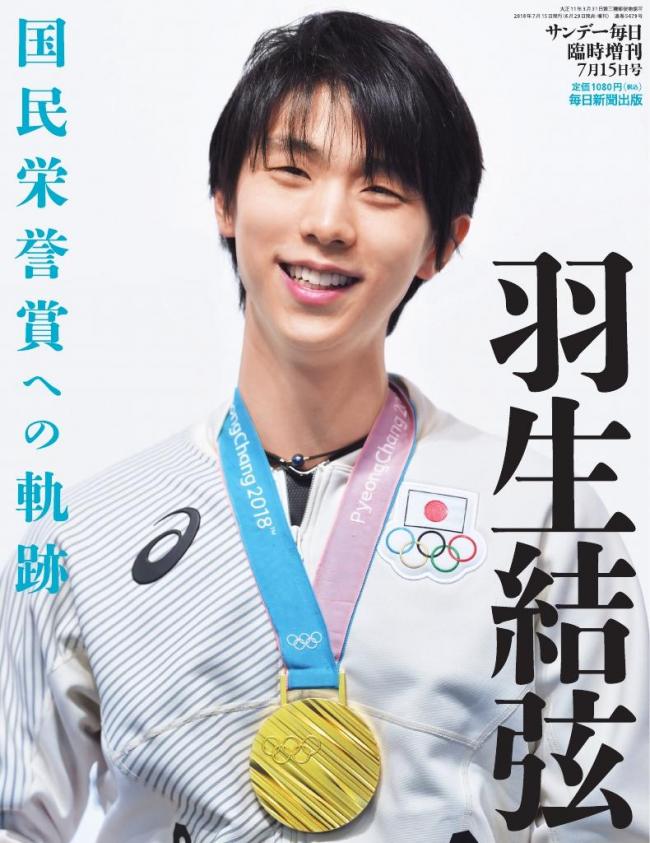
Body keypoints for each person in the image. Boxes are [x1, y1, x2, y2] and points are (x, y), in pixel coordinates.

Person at [1, 10, 647, 843]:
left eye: (382, 189)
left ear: (441, 246)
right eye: (291, 171)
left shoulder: (545, 518)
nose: (330, 222)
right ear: (225, 199)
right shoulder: (83, 534)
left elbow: (607, 819)